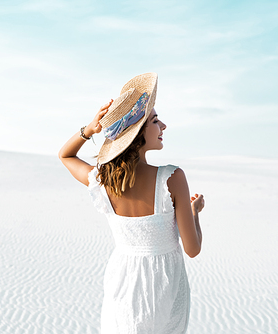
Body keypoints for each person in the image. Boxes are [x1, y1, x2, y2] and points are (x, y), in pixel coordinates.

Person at [58, 73, 204, 334]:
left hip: (123, 283)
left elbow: (65, 155)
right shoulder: (172, 178)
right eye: (156, 121)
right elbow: (192, 249)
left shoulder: (102, 181)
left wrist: (89, 130)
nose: (164, 126)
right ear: (137, 132)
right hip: (165, 289)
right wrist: (193, 214)